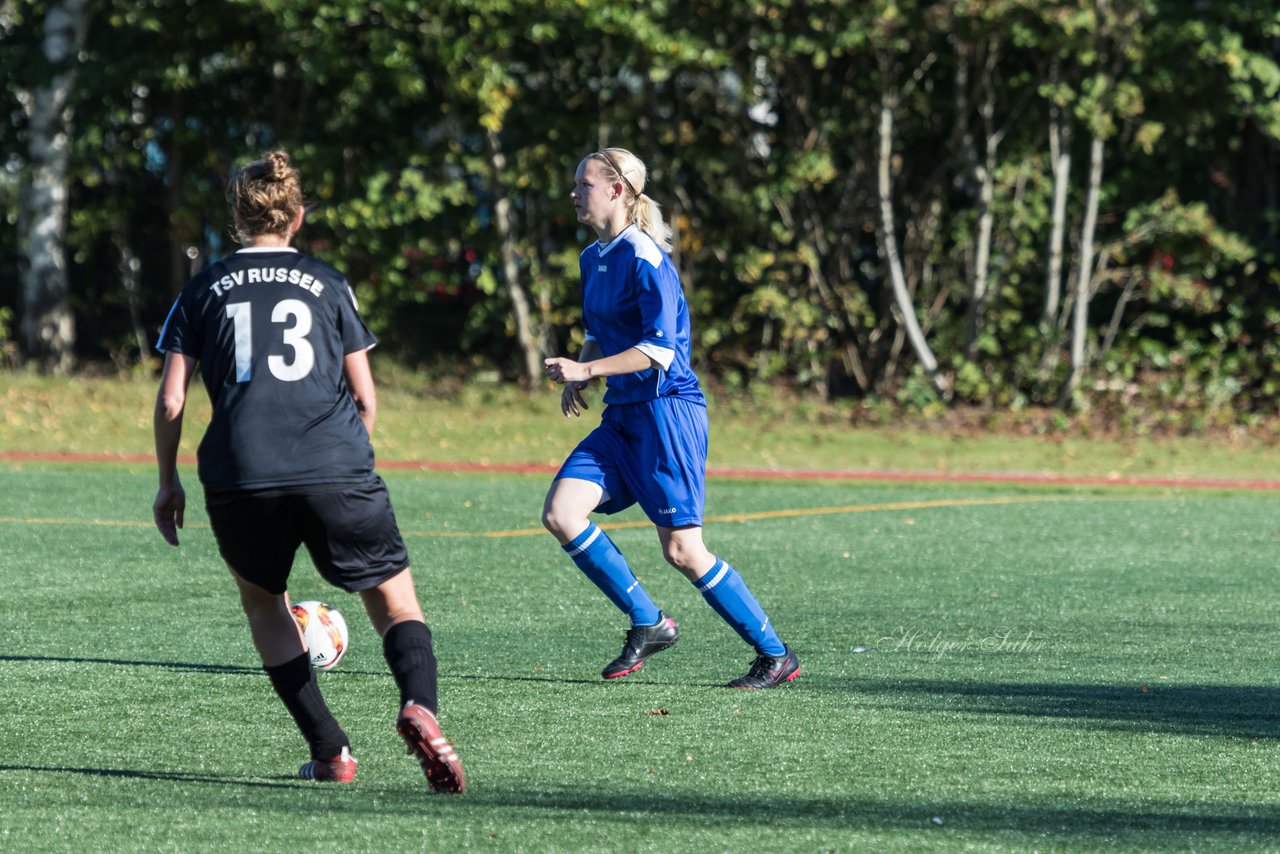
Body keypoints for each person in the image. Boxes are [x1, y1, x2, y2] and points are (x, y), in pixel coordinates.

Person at [151, 150, 465, 791]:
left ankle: (331, 752)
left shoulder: (201, 288)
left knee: (265, 605)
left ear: (237, 217)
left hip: (240, 474)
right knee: (394, 600)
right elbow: (366, 398)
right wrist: (347, 464)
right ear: (296, 217)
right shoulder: (328, 282)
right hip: (335, 466)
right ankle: (420, 708)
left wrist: (167, 480)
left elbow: (171, 400)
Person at [542, 147, 800, 690]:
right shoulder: (594, 256)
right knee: (562, 512)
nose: (574, 193)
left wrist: (586, 366)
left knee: (683, 550)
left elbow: (658, 354)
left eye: (583, 184)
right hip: (623, 417)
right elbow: (601, 327)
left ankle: (775, 655)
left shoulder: (646, 257)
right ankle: (648, 621)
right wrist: (585, 374)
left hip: (667, 414)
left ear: (616, 190)